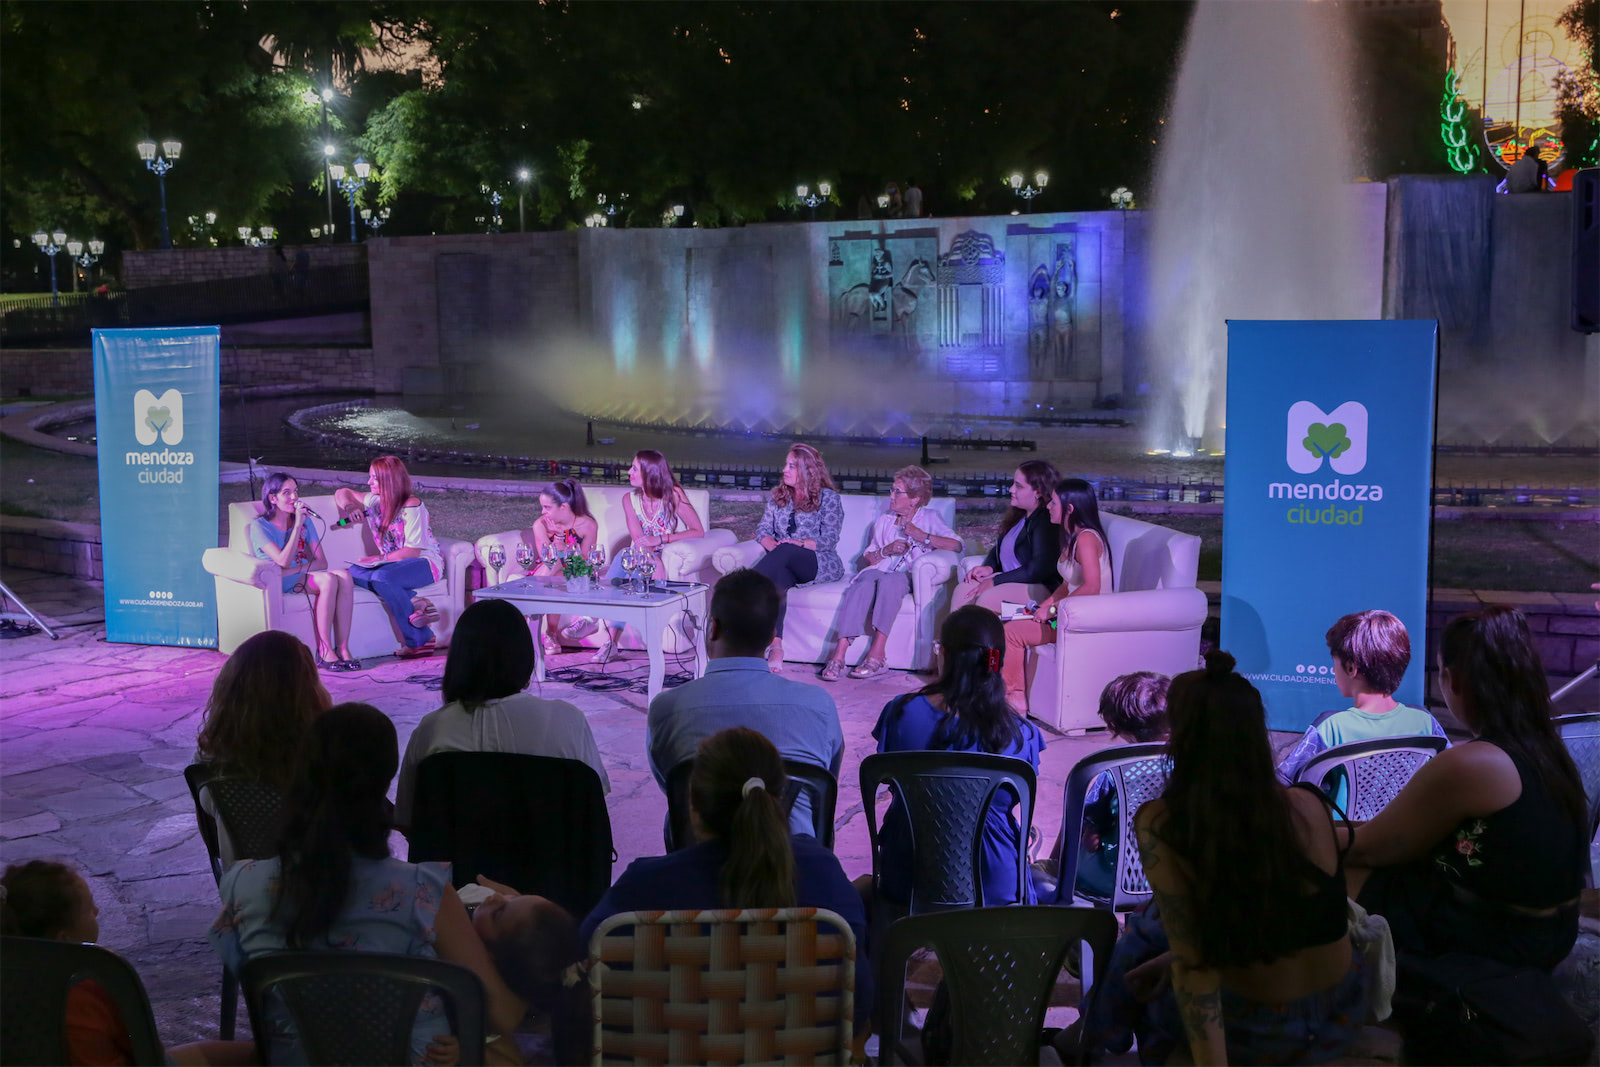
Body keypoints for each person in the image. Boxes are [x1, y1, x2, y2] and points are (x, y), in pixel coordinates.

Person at [1087, 651, 1371, 1065]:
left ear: (1179, 738)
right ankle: (1095, 1032)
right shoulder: (1307, 803)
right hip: (1341, 1008)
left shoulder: (1164, 822)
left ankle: (1096, 1036)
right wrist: (1170, 959)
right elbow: (1288, 926)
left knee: (1149, 939)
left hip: (1263, 1025)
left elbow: (1195, 969)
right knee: (1152, 941)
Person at [209, 702, 525, 1066]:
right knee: (505, 1050)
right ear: (385, 782)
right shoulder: (425, 892)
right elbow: (504, 1015)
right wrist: (518, 920)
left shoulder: (242, 885)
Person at [582, 727, 872, 1032]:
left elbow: (578, 979)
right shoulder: (824, 874)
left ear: (693, 807)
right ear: (779, 800)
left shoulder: (641, 889)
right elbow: (859, 1005)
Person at [1347, 607, 1587, 972]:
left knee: (1333, 873)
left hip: (1499, 940)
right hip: (1551, 931)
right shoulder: (1546, 749)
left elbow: (1370, 848)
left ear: (1453, 679)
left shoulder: (1472, 764)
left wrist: (1302, 831)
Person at [868, 606, 1046, 908]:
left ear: (945, 655)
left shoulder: (899, 713)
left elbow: (890, 782)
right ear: (997, 661)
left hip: (907, 878)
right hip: (994, 887)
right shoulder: (1022, 734)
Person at [647, 569, 844, 838]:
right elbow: (824, 787)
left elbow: (672, 784)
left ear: (713, 628)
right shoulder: (819, 705)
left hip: (698, 857)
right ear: (772, 636)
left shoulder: (667, 708)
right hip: (796, 858)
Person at [2, 859, 254, 1066]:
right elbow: (148, 1050)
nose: (97, 912)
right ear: (64, 938)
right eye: (90, 909)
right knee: (252, 1055)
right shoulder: (95, 982)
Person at [394, 598, 609, 831]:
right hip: (551, 854)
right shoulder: (568, 721)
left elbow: (408, 819)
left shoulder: (431, 730)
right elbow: (593, 806)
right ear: (525, 656)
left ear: (459, 659)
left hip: (455, 855)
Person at [1275, 609, 1448, 811]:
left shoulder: (1330, 727)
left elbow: (1284, 784)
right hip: (1409, 829)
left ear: (1351, 668)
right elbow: (1450, 773)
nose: (1333, 669)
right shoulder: (1425, 722)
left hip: (1345, 831)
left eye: (1334, 662)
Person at [194, 629, 331, 867]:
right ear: (308, 690)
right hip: (328, 880)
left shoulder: (208, 761)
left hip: (249, 885)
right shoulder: (329, 751)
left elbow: (212, 841)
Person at [1035, 671, 1171, 903]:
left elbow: (1085, 824)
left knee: (1042, 867)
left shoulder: (1114, 772)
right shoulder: (1189, 767)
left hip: (1109, 880)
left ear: (1118, 727)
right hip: (1168, 878)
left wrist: (1091, 833)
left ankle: (1061, 891)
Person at [820, 465, 960, 682]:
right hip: (877, 571)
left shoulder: (930, 518)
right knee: (863, 582)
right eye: (892, 490)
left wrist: (923, 536)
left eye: (897, 491)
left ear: (914, 499)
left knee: (891, 582)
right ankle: (838, 655)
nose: (891, 496)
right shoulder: (885, 520)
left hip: (904, 575)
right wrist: (886, 550)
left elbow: (956, 545)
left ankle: (877, 654)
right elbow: (869, 558)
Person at [571, 450, 705, 664]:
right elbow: (637, 538)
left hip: (664, 554)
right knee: (626, 563)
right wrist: (652, 558)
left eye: (634, 468)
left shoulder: (674, 494)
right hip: (639, 556)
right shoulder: (630, 499)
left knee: (624, 563)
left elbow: (698, 531)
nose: (628, 472)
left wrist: (661, 540)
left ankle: (593, 620)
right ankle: (609, 642)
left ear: (650, 473)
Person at [999, 477, 1113, 715]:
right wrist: (1045, 605)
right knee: (1003, 619)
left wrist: (1052, 610)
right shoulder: (1071, 538)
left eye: (1053, 503)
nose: (1048, 507)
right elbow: (1066, 585)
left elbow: (1092, 586)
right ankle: (1004, 690)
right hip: (1065, 614)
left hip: (1085, 619)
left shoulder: (1086, 539)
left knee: (1011, 633)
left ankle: (1013, 697)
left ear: (1069, 509)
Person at [464, 876, 590, 1065]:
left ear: (490, 955)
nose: (496, 896)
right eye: (513, 898)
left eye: (498, 913)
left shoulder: (479, 1011)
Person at [334, 456, 444, 659]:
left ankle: (419, 640)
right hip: (390, 565)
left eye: (374, 478)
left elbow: (412, 552)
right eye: (369, 477)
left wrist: (378, 557)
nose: (369, 482)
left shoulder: (411, 505)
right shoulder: (374, 501)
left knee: (381, 577)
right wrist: (350, 507)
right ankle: (415, 600)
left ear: (389, 480)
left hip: (424, 564)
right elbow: (342, 492)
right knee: (349, 573)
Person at [249, 472, 356, 670]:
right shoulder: (260, 527)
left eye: (296, 491)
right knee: (328, 580)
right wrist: (297, 524)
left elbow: (321, 562)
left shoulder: (306, 521)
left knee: (344, 576)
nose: (294, 497)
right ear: (273, 498)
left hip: (298, 576)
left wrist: (293, 570)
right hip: (278, 581)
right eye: (286, 493)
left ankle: (343, 648)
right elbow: (282, 560)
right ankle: (324, 650)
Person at [753, 444, 844, 672]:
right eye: (786, 465)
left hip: (818, 560)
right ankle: (776, 647)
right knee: (776, 583)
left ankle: (742, 589)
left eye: (792, 466)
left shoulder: (828, 498)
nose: (784, 470)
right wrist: (772, 545)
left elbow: (829, 539)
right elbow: (763, 530)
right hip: (784, 560)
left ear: (807, 470)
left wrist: (798, 543)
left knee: (786, 550)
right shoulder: (778, 498)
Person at [952, 460, 1061, 613]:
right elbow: (1000, 550)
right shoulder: (1019, 516)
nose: (1011, 490)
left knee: (987, 598)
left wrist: (996, 581)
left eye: (1019, 486)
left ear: (1038, 492)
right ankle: (953, 629)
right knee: (963, 591)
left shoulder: (1046, 522)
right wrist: (989, 567)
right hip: (1008, 579)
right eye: (1013, 484)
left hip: (1036, 586)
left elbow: (1037, 570)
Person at [524, 478, 599, 657]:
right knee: (553, 571)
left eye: (547, 507)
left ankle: (535, 630)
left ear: (563, 507)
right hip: (549, 570)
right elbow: (547, 558)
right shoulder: (540, 524)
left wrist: (562, 543)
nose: (543, 512)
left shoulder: (587, 525)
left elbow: (585, 559)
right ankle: (549, 633)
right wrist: (558, 541)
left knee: (554, 573)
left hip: (576, 569)